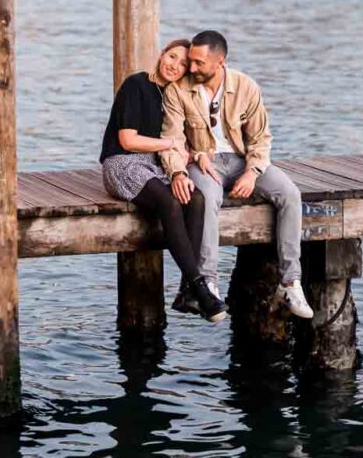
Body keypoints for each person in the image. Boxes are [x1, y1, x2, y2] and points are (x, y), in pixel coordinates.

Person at [159, 29, 313, 320]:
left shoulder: (246, 87)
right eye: (190, 61)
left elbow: (261, 139)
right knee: (206, 198)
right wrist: (178, 171)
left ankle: (291, 282)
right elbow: (172, 139)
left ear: (220, 61)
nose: (191, 68)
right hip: (204, 162)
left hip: (244, 161)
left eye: (198, 63)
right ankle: (209, 282)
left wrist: (252, 172)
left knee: (290, 194)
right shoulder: (177, 90)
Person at [99, 38, 227, 323]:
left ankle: (185, 292)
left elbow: (183, 142)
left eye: (182, 64)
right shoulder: (136, 85)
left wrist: (197, 155)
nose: (175, 66)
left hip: (155, 166)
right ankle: (199, 287)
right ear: (160, 55)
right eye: (171, 57)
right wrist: (169, 144)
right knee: (170, 201)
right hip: (122, 163)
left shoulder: (175, 96)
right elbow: (127, 140)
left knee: (194, 198)